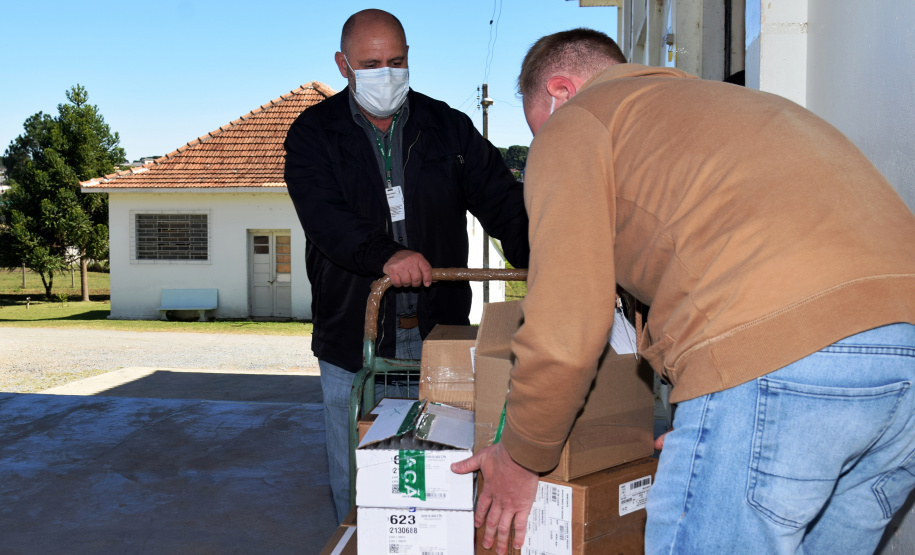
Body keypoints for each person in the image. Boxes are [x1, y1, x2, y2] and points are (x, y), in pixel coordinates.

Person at [453, 28, 915, 554]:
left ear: (561, 92)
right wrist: (718, 423)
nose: (543, 143)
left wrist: (518, 458)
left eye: (539, 131)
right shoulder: (730, 106)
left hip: (776, 354)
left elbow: (566, 327)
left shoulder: (580, 120)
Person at [284, 9, 529, 524]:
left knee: (443, 483)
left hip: (440, 337)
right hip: (354, 340)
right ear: (343, 64)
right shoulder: (313, 134)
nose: (386, 74)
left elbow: (504, 204)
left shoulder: (448, 129)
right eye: (371, 63)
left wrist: (548, 256)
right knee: (356, 488)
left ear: (409, 59)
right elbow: (325, 219)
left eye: (396, 61)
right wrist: (386, 256)